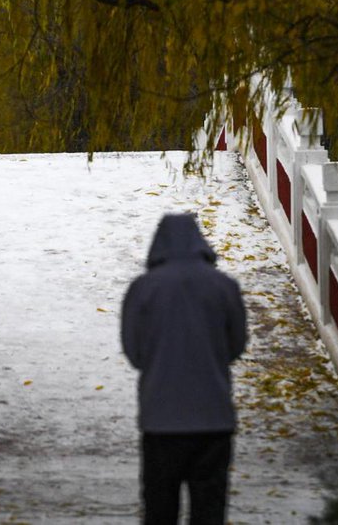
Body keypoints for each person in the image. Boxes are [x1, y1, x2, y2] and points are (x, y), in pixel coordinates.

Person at [121, 213, 248, 525]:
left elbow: (134, 352)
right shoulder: (224, 287)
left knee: (160, 507)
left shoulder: (142, 289)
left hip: (160, 421)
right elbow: (237, 344)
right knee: (209, 508)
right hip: (214, 419)